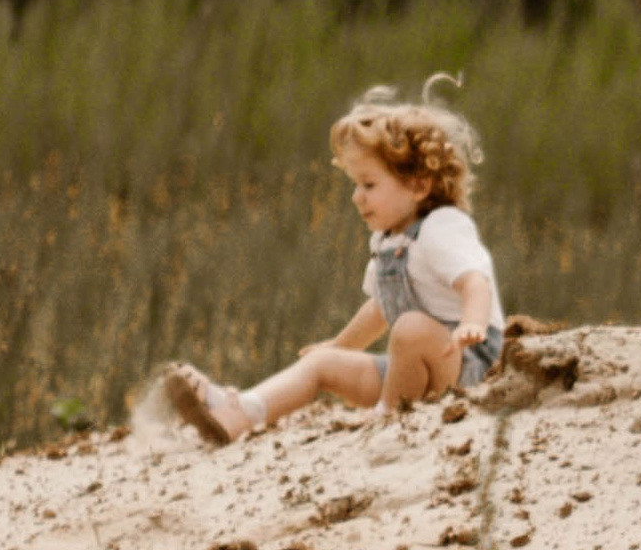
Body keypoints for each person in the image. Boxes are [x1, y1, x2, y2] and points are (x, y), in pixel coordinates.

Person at [159, 82, 504, 447]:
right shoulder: (387, 241)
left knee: (411, 328)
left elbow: (474, 282)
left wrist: (471, 323)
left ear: (419, 186)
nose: (357, 197)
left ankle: (388, 420)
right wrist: (339, 346)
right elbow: (378, 309)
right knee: (321, 364)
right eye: (355, 185)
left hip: (470, 367)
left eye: (369, 184)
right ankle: (240, 411)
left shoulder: (442, 226)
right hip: (416, 374)